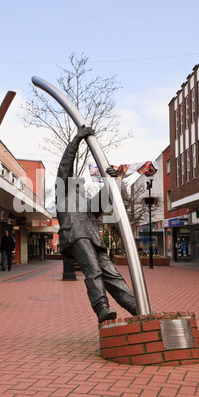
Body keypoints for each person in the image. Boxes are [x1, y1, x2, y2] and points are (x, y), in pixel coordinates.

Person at [56, 126, 137, 323]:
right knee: (93, 270)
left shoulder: (86, 204)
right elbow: (65, 165)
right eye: (77, 182)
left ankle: (135, 305)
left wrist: (112, 181)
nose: (80, 184)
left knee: (112, 274)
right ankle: (102, 308)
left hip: (93, 238)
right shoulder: (63, 194)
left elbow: (104, 199)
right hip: (76, 235)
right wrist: (76, 140)